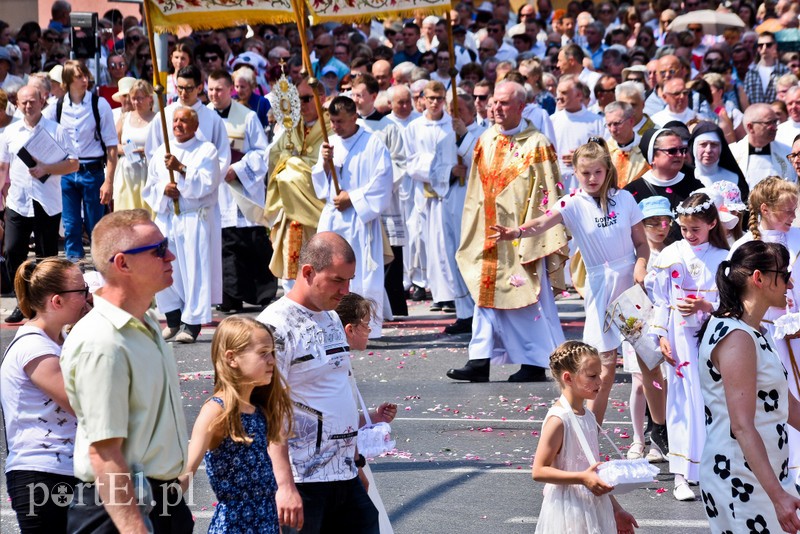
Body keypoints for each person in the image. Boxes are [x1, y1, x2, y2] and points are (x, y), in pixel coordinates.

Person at [491, 138, 649, 426]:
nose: (591, 178)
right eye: (585, 173)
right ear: (575, 172)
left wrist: (641, 265)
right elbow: (541, 222)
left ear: (607, 170)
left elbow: (641, 243)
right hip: (601, 285)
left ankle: (658, 429)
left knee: (649, 358)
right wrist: (515, 232)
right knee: (605, 366)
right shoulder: (572, 204)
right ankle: (593, 427)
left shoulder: (624, 199)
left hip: (630, 283)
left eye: (597, 172)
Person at [60, 209, 193, 533]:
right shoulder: (103, 341)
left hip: (160, 500)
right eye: (159, 250)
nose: (171, 256)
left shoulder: (144, 322)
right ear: (123, 264)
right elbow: (105, 454)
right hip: (119, 511)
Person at [257, 232, 379, 533]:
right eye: (338, 280)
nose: (345, 291)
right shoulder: (275, 326)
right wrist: (284, 485)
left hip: (345, 476)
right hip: (303, 481)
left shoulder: (332, 318)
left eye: (350, 280)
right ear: (308, 272)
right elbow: (270, 411)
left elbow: (337, 390)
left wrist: (356, 463)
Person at [449, 81, 569, 384]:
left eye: (504, 103)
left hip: (521, 238)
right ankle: (479, 359)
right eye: (494, 103)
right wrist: (474, 230)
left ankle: (535, 360)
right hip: (488, 234)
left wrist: (531, 237)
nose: (496, 109)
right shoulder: (485, 140)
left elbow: (547, 195)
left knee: (526, 297)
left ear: (521, 107)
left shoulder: (538, 144)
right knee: (484, 296)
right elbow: (475, 191)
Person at [697, 240, 800, 533]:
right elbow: (741, 425)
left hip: (763, 474)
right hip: (740, 478)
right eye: (785, 275)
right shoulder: (737, 337)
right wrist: (778, 496)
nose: (790, 285)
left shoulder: (755, 331)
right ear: (759, 278)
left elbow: (786, 405)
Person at [651, 193, 730, 501]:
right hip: (679, 336)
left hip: (713, 334)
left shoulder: (723, 256)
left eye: (695, 228)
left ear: (712, 223)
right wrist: (661, 336)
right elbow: (660, 298)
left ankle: (713, 469)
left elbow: (731, 301)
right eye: (684, 228)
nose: (689, 234)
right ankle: (681, 475)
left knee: (713, 401)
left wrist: (705, 304)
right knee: (682, 402)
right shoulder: (671, 253)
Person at [181, 316, 293, 533]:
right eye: (263, 353)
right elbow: (187, 471)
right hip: (234, 527)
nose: (272, 361)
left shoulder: (261, 409)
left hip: (266, 524)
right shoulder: (217, 410)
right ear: (231, 358)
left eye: (272, 353)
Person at [2, 258, 90, 531]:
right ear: (57, 301)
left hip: (64, 471)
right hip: (42, 477)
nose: (89, 297)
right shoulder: (34, 349)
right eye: (82, 291)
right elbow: (84, 405)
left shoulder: (60, 341)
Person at [730, 177, 800, 485]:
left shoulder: (798, 238)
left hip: (798, 334)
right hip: (767, 335)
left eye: (795, 209)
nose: (792, 216)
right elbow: (739, 293)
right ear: (765, 209)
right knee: (774, 398)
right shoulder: (745, 246)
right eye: (786, 210)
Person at [531, 341, 638, 534]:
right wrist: (582, 478)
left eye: (599, 374)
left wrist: (617, 510)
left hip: (594, 506)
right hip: (568, 510)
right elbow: (539, 471)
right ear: (568, 378)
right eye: (592, 376)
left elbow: (591, 472)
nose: (600, 381)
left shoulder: (588, 416)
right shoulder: (559, 420)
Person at [311, 96, 393, 337]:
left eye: (341, 122)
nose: (336, 127)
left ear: (354, 117)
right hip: (334, 217)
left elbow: (383, 181)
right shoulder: (329, 143)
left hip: (359, 219)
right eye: (333, 121)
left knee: (360, 274)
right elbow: (320, 184)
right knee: (329, 269)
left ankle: (361, 325)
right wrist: (325, 165)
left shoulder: (373, 144)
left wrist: (353, 197)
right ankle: (332, 321)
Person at [143, 107, 222, 343]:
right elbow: (150, 186)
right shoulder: (161, 152)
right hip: (167, 217)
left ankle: (192, 322)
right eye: (175, 120)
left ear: (195, 126)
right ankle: (173, 317)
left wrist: (181, 170)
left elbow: (208, 183)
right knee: (162, 265)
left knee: (193, 270)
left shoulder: (206, 150)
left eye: (184, 121)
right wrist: (163, 190)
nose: (178, 124)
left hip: (192, 216)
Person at [1, 85, 78, 325]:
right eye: (23, 102)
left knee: (46, 258)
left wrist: (47, 169)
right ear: (17, 103)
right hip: (18, 201)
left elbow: (73, 164)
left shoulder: (57, 130)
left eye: (32, 101)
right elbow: (3, 167)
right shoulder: (10, 132)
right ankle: (21, 302)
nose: (28, 106)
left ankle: (44, 303)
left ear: (42, 100)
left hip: (47, 201)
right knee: (13, 251)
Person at [207, 69, 276, 313]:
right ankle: (230, 297)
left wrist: (237, 169)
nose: (214, 94)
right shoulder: (202, 117)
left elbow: (261, 151)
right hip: (215, 189)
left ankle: (263, 293)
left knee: (252, 240)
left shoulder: (246, 117)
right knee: (225, 244)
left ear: (230, 90)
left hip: (241, 187)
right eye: (211, 89)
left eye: (219, 89)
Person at [42, 60, 118, 263]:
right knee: (71, 224)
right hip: (67, 171)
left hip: (92, 170)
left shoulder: (99, 104)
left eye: (85, 75)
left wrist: (108, 180)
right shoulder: (56, 107)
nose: (85, 80)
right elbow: (41, 133)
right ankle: (74, 267)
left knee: (96, 224)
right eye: (79, 76)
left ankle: (101, 266)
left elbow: (111, 145)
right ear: (67, 80)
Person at [335, 293, 397, 534]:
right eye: (366, 324)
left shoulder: (342, 362)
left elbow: (345, 418)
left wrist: (374, 417)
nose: (370, 329)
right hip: (345, 460)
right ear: (350, 329)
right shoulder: (336, 366)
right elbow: (338, 422)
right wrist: (358, 463)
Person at [265, 79, 327, 293]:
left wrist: (293, 165)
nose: (301, 104)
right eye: (297, 100)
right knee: (291, 266)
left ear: (322, 99)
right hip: (291, 210)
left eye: (307, 99)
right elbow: (274, 157)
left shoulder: (331, 129)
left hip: (319, 207)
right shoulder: (291, 129)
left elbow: (325, 168)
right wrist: (290, 163)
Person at [625, 196, 671, 463]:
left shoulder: (673, 250)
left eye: (665, 221)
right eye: (652, 222)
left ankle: (657, 437)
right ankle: (637, 438)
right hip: (637, 322)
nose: (660, 227)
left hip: (662, 325)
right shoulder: (635, 254)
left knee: (661, 382)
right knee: (639, 384)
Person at [404, 81, 457, 315]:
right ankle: (437, 292)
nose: (435, 102)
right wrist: (437, 168)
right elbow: (411, 162)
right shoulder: (414, 128)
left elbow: (457, 160)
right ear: (423, 99)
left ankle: (452, 294)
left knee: (448, 244)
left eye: (439, 98)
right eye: (431, 98)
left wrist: (446, 171)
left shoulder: (452, 126)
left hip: (449, 192)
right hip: (424, 194)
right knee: (426, 244)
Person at [625, 128, 704, 242]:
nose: (679, 155)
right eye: (672, 151)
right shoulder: (632, 191)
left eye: (682, 150)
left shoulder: (695, 187)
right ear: (652, 157)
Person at [550, 75, 605, 191]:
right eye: (558, 92)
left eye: (564, 93)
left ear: (579, 95)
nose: (559, 97)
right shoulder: (552, 120)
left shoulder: (597, 121)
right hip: (558, 183)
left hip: (588, 183)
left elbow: (605, 152)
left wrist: (582, 157)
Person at [731, 103, 795, 190]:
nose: (775, 127)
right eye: (769, 123)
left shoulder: (788, 153)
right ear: (750, 127)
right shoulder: (732, 153)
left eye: (775, 122)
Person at [114, 79, 155, 214]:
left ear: (149, 98)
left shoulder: (157, 119)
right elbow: (113, 144)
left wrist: (146, 150)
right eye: (134, 98)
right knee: (126, 215)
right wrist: (126, 150)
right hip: (127, 174)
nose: (136, 102)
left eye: (140, 98)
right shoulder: (125, 118)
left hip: (148, 172)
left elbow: (163, 146)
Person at [689, 121, 749, 200]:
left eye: (714, 145)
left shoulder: (735, 181)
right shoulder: (685, 178)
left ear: (721, 148)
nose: (708, 150)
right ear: (694, 147)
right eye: (703, 144)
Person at [604, 101, 649, 188]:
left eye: (617, 123)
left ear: (631, 121)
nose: (612, 129)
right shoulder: (604, 150)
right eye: (609, 125)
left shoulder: (646, 148)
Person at [744, 32, 789, 105]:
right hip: (755, 114)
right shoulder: (750, 72)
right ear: (757, 48)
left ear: (775, 46)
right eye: (760, 45)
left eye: (768, 45)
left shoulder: (784, 71)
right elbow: (746, 99)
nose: (764, 48)